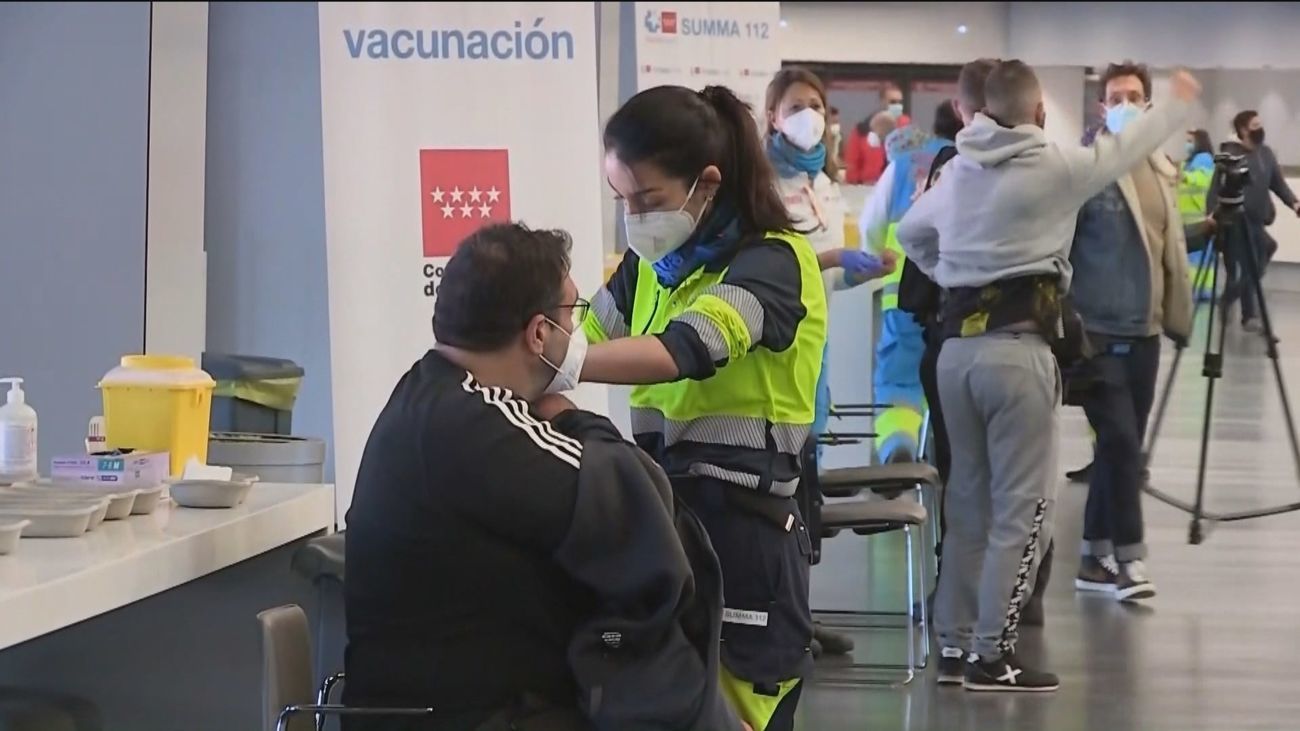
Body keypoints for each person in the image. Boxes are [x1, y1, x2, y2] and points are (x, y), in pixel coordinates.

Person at [343, 223, 746, 731]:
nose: (576, 333)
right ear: (538, 334)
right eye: (573, 314)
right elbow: (634, 500)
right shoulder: (474, 421)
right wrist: (573, 417)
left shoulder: (428, 397)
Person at [898, 59, 1200, 691]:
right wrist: (1174, 104)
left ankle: (952, 651)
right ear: (1038, 114)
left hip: (956, 354)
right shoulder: (1057, 168)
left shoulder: (957, 171)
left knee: (967, 503)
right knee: (1024, 509)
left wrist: (955, 269)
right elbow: (1129, 147)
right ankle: (993, 654)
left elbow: (910, 234)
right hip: (1020, 353)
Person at [581, 84, 832, 731]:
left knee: (740, 713)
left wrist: (561, 363)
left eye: (647, 200)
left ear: (707, 183)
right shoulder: (652, 266)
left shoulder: (773, 262)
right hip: (670, 528)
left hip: (747, 536)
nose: (634, 218)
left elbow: (686, 348)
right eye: (622, 202)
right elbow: (591, 331)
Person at [1067, 61, 1196, 604]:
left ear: (1146, 104)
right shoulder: (1086, 168)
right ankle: (1131, 559)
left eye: (1134, 95)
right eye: (1116, 95)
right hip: (1096, 336)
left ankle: (1092, 555)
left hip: (1144, 334)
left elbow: (1160, 243)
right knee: (1121, 445)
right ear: (1101, 106)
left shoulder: (1159, 167)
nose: (1124, 102)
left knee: (1122, 449)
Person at [860, 101, 963, 465]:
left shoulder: (905, 165)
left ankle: (897, 451)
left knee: (899, 383)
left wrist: (872, 260)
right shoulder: (980, 166)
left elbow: (870, 227)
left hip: (904, 300)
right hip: (963, 308)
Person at [1208, 109, 1300, 332]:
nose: (1260, 128)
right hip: (1235, 221)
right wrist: (1211, 214)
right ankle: (1249, 315)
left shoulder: (1266, 154)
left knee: (1264, 253)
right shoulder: (1231, 155)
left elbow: (1277, 184)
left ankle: (1229, 298)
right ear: (1243, 129)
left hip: (1257, 221)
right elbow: (1214, 188)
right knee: (1247, 265)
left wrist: (1295, 203)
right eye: (1255, 125)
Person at [1181, 129, 1217, 301]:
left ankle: (1203, 291)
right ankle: (1192, 290)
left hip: (1200, 216)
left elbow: (1203, 179)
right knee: (1189, 260)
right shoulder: (1187, 162)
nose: (1187, 144)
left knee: (1199, 258)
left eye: (1190, 141)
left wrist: (1185, 177)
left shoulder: (1204, 159)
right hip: (1186, 218)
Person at [845, 111, 896, 184]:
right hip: (863, 185)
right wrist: (857, 180)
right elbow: (852, 162)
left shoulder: (894, 140)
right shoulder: (861, 133)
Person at [828, 106, 845, 171]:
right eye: (834, 122)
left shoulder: (838, 134)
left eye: (836, 122)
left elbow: (836, 153)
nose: (836, 125)